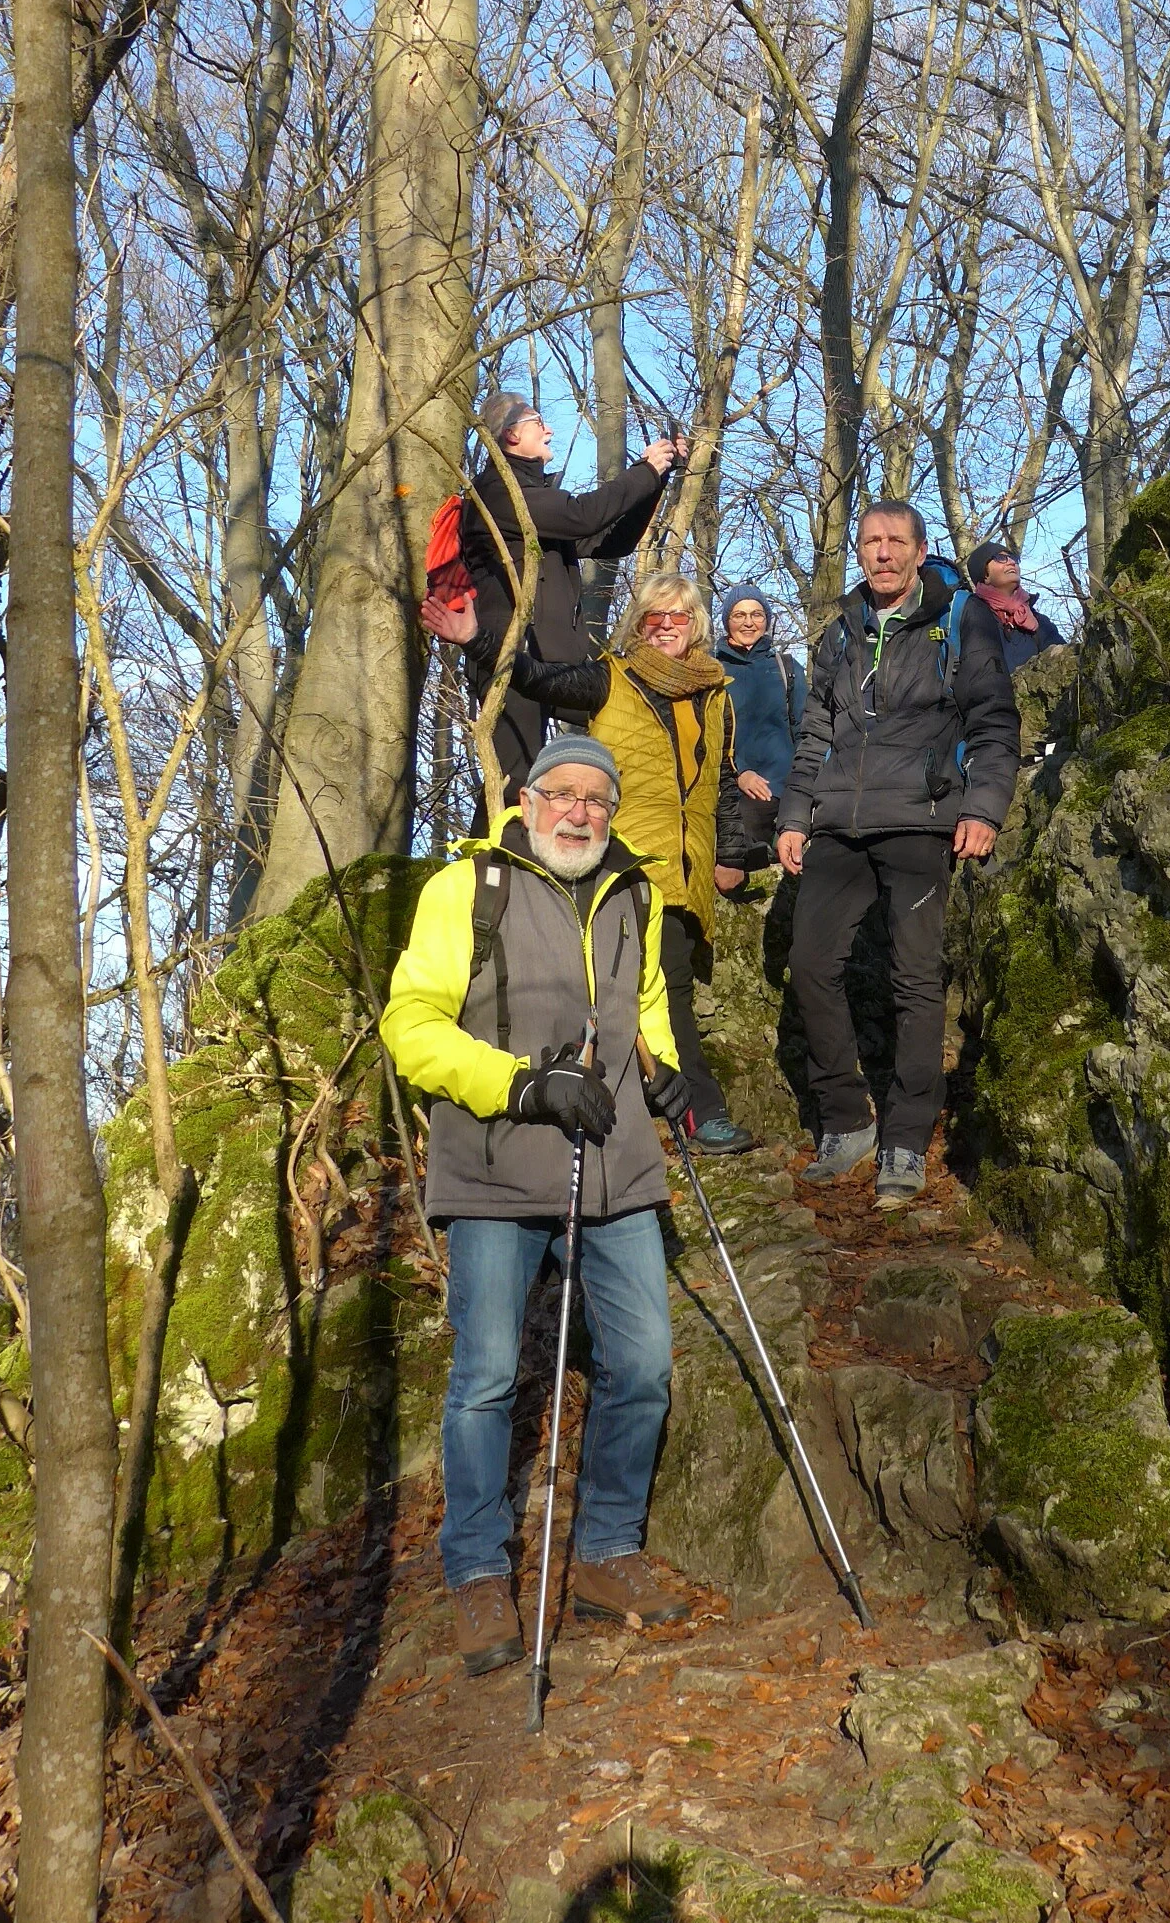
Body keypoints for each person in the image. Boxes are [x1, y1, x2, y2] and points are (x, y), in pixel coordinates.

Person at [380, 732, 699, 1670]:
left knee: (642, 1364)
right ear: (524, 799)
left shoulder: (630, 891)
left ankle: (606, 1553)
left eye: (597, 800)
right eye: (562, 794)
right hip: (492, 1163)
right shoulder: (465, 889)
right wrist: (521, 1085)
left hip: (615, 1164)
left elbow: (643, 1007)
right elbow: (411, 1022)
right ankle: (478, 1574)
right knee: (484, 1378)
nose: (580, 813)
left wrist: (668, 1071)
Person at [420, 570, 757, 1155]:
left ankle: (645, 1106)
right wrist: (479, 639)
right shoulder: (611, 679)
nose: (666, 627)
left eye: (678, 616)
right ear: (639, 624)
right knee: (661, 990)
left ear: (697, 625)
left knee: (653, 990)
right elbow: (536, 678)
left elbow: (722, 781)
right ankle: (698, 1115)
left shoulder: (714, 692)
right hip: (623, 866)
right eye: (655, 616)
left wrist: (730, 854)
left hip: (689, 869)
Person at [777, 500, 1022, 1210]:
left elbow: (993, 718)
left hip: (921, 819)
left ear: (919, 551)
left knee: (915, 979)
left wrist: (983, 806)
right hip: (839, 824)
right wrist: (797, 814)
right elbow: (814, 731)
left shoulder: (959, 617)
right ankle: (847, 1121)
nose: (881, 553)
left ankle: (906, 1138)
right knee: (811, 966)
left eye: (895, 542)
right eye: (870, 542)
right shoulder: (840, 632)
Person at [457, 388, 685, 801]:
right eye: (536, 422)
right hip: (507, 660)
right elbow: (582, 516)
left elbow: (609, 540)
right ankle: (490, 865)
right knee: (514, 784)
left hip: (549, 663)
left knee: (609, 729)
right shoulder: (499, 493)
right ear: (510, 436)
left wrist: (657, 476)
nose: (548, 430)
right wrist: (644, 473)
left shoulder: (533, 499)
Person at [715, 584, 806, 870]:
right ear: (727, 621)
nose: (748, 622)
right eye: (739, 614)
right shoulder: (711, 671)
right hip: (736, 789)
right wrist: (739, 774)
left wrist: (802, 785)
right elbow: (706, 736)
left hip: (787, 787)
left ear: (766, 620)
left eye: (756, 614)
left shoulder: (786, 668)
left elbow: (805, 729)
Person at [966, 540, 1066, 676]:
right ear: (984, 574)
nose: (1011, 562)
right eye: (1000, 558)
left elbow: (1063, 662)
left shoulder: (1038, 622)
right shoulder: (970, 616)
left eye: (1013, 558)